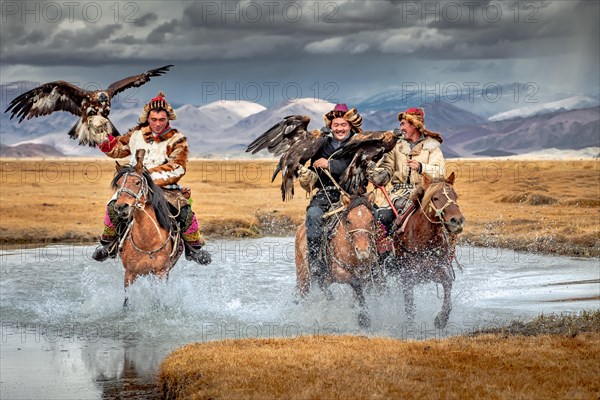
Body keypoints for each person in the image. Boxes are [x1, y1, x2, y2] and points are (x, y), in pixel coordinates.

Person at [92, 92, 210, 265]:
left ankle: (194, 249)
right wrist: (98, 133)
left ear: (168, 119)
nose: (157, 124)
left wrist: (148, 176)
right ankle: (108, 246)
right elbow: (115, 149)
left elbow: (178, 167)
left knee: (184, 211)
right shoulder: (136, 134)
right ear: (147, 118)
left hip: (163, 187)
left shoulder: (178, 140)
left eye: (162, 120)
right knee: (113, 207)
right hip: (133, 184)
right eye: (154, 119)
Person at [296, 103, 363, 285]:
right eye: (336, 125)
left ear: (350, 126)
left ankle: (379, 264)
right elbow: (312, 171)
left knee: (376, 218)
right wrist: (304, 173)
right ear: (330, 126)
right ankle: (317, 264)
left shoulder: (359, 143)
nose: (339, 128)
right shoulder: (321, 144)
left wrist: (330, 165)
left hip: (354, 194)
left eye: (343, 125)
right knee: (313, 215)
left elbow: (355, 167)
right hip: (326, 194)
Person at [368, 107, 445, 230]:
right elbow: (387, 166)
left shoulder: (432, 147)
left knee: (443, 221)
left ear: (414, 125)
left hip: (423, 195)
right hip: (397, 195)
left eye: (403, 124)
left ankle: (446, 245)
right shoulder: (396, 146)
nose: (401, 128)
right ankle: (384, 247)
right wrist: (379, 174)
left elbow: (439, 172)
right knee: (381, 218)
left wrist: (421, 167)